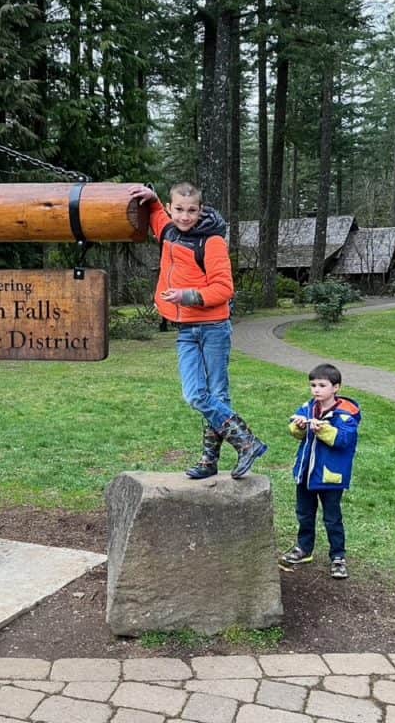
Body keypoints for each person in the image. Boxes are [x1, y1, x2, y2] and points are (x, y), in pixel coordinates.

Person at [129, 181, 266, 480]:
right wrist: (151, 199)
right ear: (170, 207)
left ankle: (211, 459)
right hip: (187, 330)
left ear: (201, 210)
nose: (185, 216)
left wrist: (187, 295)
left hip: (214, 327)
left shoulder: (212, 241)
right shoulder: (168, 231)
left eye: (191, 210)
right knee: (196, 395)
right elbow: (155, 215)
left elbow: (224, 288)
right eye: (178, 209)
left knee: (217, 394)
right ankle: (246, 442)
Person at [281, 363, 361, 579]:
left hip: (330, 477)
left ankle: (338, 557)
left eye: (322, 385)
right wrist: (299, 426)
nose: (316, 389)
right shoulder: (308, 407)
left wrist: (323, 429)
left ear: (336, 388)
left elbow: (344, 440)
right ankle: (303, 548)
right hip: (305, 473)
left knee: (332, 518)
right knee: (304, 513)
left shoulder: (346, 415)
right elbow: (296, 433)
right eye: (313, 385)